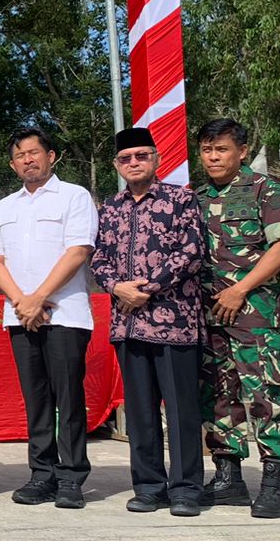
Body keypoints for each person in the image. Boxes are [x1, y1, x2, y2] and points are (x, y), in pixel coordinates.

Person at [88, 127, 208, 517]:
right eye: (126, 159)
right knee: (139, 411)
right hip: (127, 323)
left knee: (181, 410)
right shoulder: (111, 207)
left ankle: (187, 487)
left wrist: (148, 288)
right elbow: (98, 258)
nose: (134, 163)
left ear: (156, 159)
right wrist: (117, 287)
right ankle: (149, 486)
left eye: (141, 156)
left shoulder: (181, 199)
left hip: (174, 321)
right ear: (117, 165)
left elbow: (191, 252)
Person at [193, 117, 280, 513]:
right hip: (209, 312)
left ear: (241, 151)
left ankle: (275, 483)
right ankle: (228, 477)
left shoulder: (265, 190)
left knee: (265, 393)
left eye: (221, 149)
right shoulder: (198, 197)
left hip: (254, 313)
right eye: (207, 149)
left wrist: (241, 289)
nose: (213, 156)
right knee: (218, 393)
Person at [0, 128, 97, 509]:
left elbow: (78, 250)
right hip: (20, 315)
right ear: (12, 163)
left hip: (65, 314)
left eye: (35, 153)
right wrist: (23, 302)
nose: (28, 160)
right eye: (20, 155)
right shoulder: (3, 207)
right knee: (35, 398)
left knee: (68, 397)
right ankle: (42, 473)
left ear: (52, 156)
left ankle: (71, 476)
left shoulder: (74, 197)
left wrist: (40, 298)